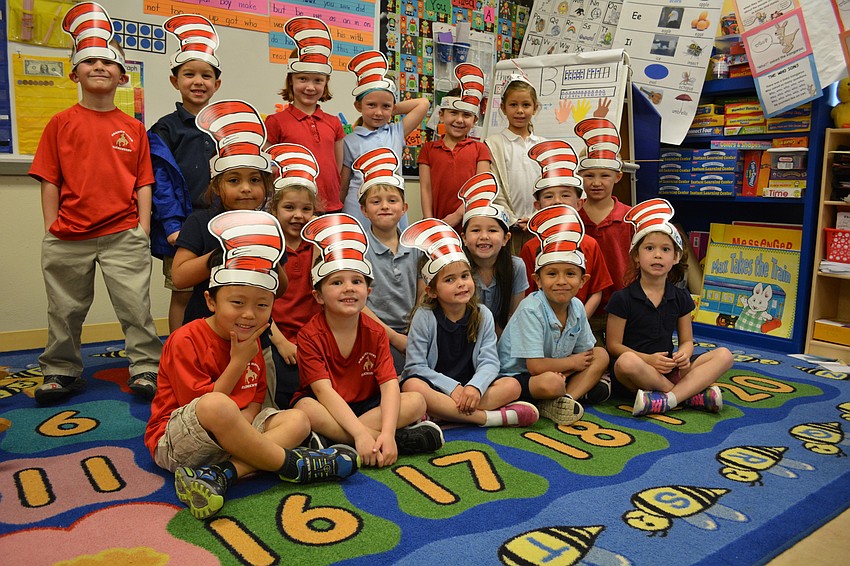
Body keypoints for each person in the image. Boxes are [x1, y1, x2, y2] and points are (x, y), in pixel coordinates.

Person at [145, 210, 359, 520]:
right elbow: (201, 408)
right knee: (217, 405)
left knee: (298, 421)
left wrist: (244, 427)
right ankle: (291, 465)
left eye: (261, 305)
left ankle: (223, 474)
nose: (249, 314)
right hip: (181, 439)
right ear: (210, 301)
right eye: (237, 303)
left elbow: (256, 397)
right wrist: (237, 362)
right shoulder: (186, 339)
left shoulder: (254, 337)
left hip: (234, 436)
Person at [30, 3, 162, 404]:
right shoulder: (60, 122)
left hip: (123, 233)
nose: (100, 67)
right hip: (69, 234)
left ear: (123, 75)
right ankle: (61, 369)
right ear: (75, 73)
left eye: (109, 62)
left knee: (135, 308)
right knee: (64, 310)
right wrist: (52, 224)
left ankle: (145, 368)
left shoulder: (133, 127)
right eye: (90, 62)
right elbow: (50, 177)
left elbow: (143, 182)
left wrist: (140, 227)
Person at [292, 214, 444, 468]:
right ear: (318, 296)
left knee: (416, 401)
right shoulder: (309, 335)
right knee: (305, 409)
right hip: (328, 407)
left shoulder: (375, 332)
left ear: (368, 292)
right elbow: (323, 392)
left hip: (367, 407)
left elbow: (388, 385)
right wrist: (364, 434)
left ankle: (336, 442)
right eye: (337, 282)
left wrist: (385, 431)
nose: (349, 288)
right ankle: (393, 440)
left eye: (357, 281)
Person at [400, 219, 539, 428]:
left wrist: (474, 387)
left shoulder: (482, 314)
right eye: (450, 280)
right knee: (412, 386)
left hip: (473, 390)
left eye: (465, 276)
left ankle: (441, 414)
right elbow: (415, 366)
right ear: (432, 290)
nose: (461, 284)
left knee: (511, 385)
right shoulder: (424, 316)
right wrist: (453, 388)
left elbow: (490, 362)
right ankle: (488, 418)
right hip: (439, 388)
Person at [605, 199, 733, 417]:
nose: (657, 255)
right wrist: (647, 360)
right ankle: (689, 394)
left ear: (675, 257)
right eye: (649, 248)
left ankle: (668, 399)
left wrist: (684, 354)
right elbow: (614, 346)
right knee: (626, 362)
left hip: (670, 368)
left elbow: (686, 341)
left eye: (665, 249)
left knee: (725, 355)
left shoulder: (680, 296)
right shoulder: (622, 298)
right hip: (636, 372)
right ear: (636, 257)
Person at [500, 205, 609, 425]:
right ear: (538, 281)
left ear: (582, 281)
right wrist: (572, 363)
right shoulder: (531, 308)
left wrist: (572, 365)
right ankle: (558, 394)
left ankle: (566, 400)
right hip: (521, 376)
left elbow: (586, 354)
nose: (561, 281)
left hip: (560, 368)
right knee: (551, 382)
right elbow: (535, 367)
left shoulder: (577, 307)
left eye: (570, 274)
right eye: (551, 274)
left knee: (601, 355)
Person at [171, 100, 277, 325]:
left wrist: (271, 254)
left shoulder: (267, 225)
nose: (246, 188)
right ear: (217, 187)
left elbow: (282, 288)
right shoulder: (199, 222)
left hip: (254, 328)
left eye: (255, 180)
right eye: (234, 180)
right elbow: (179, 277)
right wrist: (224, 252)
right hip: (204, 327)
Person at [149, 14, 222, 333]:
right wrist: (172, 226)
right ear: (174, 80)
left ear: (216, 84)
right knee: (182, 292)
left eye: (206, 75)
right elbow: (161, 183)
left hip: (220, 221)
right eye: (189, 74)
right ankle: (177, 350)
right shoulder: (165, 129)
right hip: (182, 226)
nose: (198, 81)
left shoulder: (226, 125)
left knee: (219, 289)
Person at [519, 140, 613, 326]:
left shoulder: (589, 244)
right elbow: (527, 293)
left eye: (565, 194)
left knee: (599, 355)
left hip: (581, 322)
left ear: (579, 204)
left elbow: (597, 290)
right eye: (548, 196)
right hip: (540, 324)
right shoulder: (530, 247)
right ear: (537, 206)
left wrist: (579, 320)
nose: (557, 201)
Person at [352, 147, 423, 375]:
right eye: (376, 202)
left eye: (392, 200)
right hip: (371, 330)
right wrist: (393, 337)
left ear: (404, 208)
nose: (384, 206)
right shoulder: (359, 250)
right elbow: (357, 303)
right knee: (391, 376)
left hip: (412, 330)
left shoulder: (416, 247)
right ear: (363, 209)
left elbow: (423, 295)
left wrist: (414, 330)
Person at [341, 50, 430, 229]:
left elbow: (423, 104)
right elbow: (344, 183)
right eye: (371, 105)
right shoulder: (349, 140)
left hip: (391, 207)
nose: (378, 112)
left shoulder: (395, 132)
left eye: (385, 107)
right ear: (358, 106)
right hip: (358, 207)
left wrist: (391, 110)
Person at [264, 17, 344, 213]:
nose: (310, 87)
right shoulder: (276, 122)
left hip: (331, 206)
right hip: (293, 209)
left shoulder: (334, 123)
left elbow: (338, 168)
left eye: (317, 80)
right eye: (302, 79)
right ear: (291, 81)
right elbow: (268, 168)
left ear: (326, 83)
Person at [264, 143, 323, 409]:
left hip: (314, 336)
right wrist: (283, 343)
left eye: (306, 210)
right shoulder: (267, 248)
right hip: (274, 335)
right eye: (289, 208)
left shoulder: (319, 249)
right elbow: (260, 306)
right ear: (274, 209)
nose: (298, 216)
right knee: (285, 385)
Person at [574, 118, 633, 338]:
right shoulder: (573, 218)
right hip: (582, 306)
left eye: (604, 175)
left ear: (618, 176)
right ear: (580, 175)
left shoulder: (629, 218)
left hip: (624, 307)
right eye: (589, 175)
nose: (596, 182)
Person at [418, 63, 491, 230]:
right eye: (453, 113)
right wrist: (430, 221)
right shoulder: (428, 150)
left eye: (466, 115)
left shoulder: (480, 149)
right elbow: (426, 189)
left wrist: (458, 215)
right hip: (437, 223)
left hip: (471, 224)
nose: (459, 120)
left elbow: (481, 187)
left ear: (474, 121)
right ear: (441, 115)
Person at [458, 172, 528, 336]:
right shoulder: (457, 268)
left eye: (492, 230)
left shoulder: (516, 266)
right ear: (464, 238)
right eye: (475, 230)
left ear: (505, 238)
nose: (484, 236)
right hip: (465, 338)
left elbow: (516, 317)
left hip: (504, 339)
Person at [485, 73, 544, 253]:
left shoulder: (543, 146)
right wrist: (513, 220)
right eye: (513, 105)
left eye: (526, 105)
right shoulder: (493, 143)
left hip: (539, 230)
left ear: (535, 108)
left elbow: (549, 188)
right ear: (503, 107)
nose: (520, 110)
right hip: (508, 229)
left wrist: (536, 218)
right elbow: (494, 188)